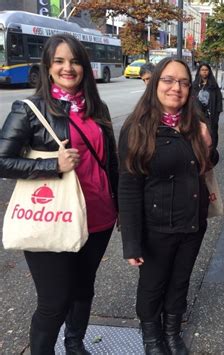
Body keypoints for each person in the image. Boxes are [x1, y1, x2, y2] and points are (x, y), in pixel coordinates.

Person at [0, 33, 118, 355]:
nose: (69, 68)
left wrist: (120, 206)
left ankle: (75, 343)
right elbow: (2, 160)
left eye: (75, 61)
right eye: (60, 61)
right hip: (54, 216)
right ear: (49, 67)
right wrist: (54, 164)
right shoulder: (30, 109)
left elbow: (110, 162)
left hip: (99, 216)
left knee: (83, 289)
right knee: (54, 301)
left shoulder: (97, 107)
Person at [118, 57, 218, 355]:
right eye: (169, 80)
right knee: (153, 285)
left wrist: (208, 145)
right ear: (154, 83)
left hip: (191, 223)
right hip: (156, 227)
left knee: (179, 282)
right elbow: (128, 187)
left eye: (184, 82)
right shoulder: (137, 128)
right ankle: (152, 337)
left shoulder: (194, 123)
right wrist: (132, 243)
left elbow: (206, 165)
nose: (177, 88)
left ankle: (172, 332)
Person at [192, 63, 223, 149]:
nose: (204, 72)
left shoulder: (213, 85)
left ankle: (211, 150)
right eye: (202, 70)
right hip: (198, 115)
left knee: (212, 133)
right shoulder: (195, 86)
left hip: (211, 115)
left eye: (206, 70)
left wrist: (217, 113)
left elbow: (218, 99)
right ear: (199, 71)